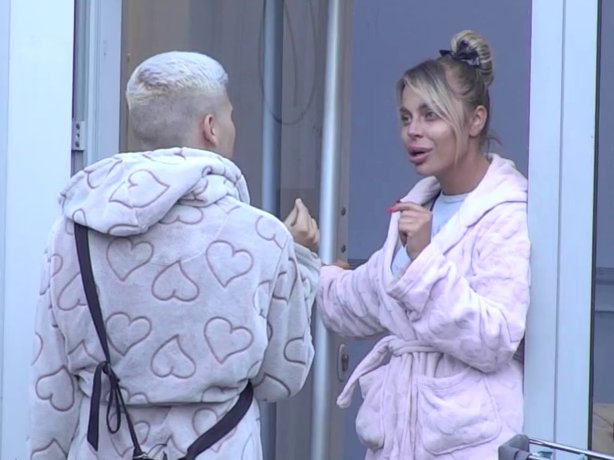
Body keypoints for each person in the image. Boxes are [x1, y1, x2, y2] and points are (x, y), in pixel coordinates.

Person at [28, 51, 320, 459]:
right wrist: (301, 261)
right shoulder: (262, 236)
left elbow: (52, 385)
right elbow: (282, 378)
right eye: (230, 116)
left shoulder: (74, 231)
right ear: (210, 128)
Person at [317, 30, 530, 459]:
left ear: (475, 120)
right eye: (405, 117)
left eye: (430, 115)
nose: (412, 132)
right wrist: (308, 264)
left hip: (468, 445)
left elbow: (496, 338)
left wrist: (424, 260)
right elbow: (357, 305)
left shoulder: (506, 212)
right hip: (398, 441)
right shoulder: (416, 209)